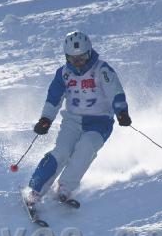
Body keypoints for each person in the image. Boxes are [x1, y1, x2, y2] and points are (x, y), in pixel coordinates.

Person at [26, 31, 131, 207]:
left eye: (82, 58)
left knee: (86, 148)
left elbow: (116, 92)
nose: (78, 63)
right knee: (62, 151)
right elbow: (54, 98)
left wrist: (121, 112)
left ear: (89, 52)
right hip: (72, 121)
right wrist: (45, 119)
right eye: (73, 59)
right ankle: (36, 190)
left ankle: (65, 187)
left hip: (99, 123)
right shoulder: (64, 73)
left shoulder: (102, 70)